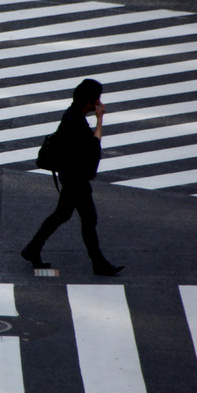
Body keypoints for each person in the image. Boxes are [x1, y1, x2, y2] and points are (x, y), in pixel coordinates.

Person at [21, 78, 124, 276]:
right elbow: (93, 148)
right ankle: (98, 263)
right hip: (75, 178)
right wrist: (100, 120)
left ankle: (32, 248)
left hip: (70, 175)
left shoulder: (72, 114)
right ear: (90, 102)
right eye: (97, 100)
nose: (98, 104)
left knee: (62, 214)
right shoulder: (76, 122)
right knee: (88, 219)